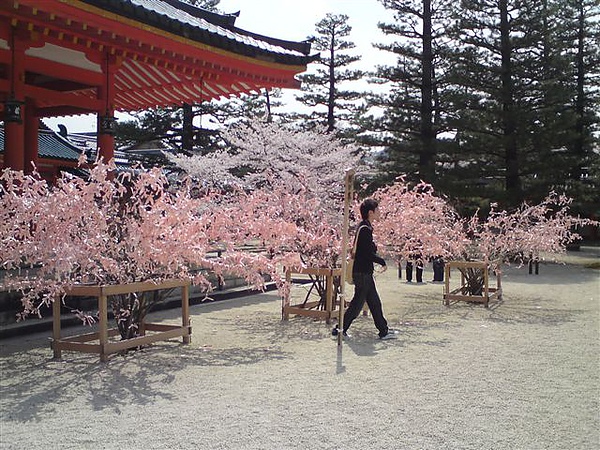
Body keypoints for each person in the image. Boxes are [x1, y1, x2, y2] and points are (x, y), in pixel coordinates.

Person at [333, 198, 397, 340]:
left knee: (373, 302)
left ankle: (383, 330)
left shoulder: (363, 227)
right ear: (371, 212)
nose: (379, 212)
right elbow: (366, 253)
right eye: (377, 210)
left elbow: (364, 250)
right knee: (358, 305)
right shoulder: (365, 229)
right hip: (363, 272)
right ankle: (340, 329)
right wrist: (381, 261)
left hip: (363, 271)